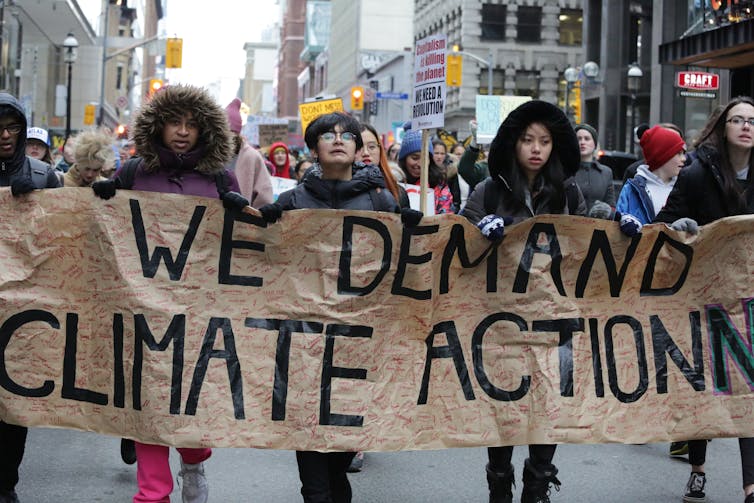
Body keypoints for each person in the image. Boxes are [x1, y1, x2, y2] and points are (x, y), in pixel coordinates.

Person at [92, 84, 249, 503]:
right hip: (142, 306)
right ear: (158, 126)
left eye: (192, 124)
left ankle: (194, 459)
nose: (182, 131)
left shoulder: (220, 177)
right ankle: (152, 495)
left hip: (199, 311)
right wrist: (102, 196)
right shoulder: (133, 172)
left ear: (205, 131)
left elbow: (243, 241)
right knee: (149, 403)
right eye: (174, 122)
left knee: (190, 398)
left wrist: (247, 212)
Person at [252, 112, 407, 503]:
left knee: (339, 452)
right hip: (304, 343)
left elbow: (401, 268)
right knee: (311, 454)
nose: (338, 140)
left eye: (346, 136)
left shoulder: (381, 200)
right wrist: (257, 223)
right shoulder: (291, 202)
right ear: (314, 147)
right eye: (327, 135)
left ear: (358, 149)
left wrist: (413, 230)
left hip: (357, 342)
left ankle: (336, 482)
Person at [461, 100, 586, 503]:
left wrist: (619, 230)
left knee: (547, 404)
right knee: (504, 404)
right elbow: (456, 242)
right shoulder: (489, 190)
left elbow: (588, 246)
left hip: (553, 322)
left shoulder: (568, 193)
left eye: (545, 141)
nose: (536, 148)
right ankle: (500, 479)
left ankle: (537, 483)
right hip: (500, 323)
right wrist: (479, 228)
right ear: (514, 145)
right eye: (528, 140)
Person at [654, 96, 754, 503]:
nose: (746, 126)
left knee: (748, 384)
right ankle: (697, 467)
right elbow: (664, 225)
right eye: (738, 119)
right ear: (722, 126)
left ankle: (751, 485)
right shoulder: (696, 173)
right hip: (703, 295)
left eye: (752, 120)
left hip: (748, 296)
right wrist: (679, 226)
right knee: (705, 383)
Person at [0, 91, 60, 503]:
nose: (5, 136)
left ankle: (5, 485)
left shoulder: (45, 177)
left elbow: (65, 242)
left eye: (12, 127)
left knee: (14, 407)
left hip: (24, 311)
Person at [615, 125, 686, 225]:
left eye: (683, 153)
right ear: (663, 156)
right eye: (678, 153)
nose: (684, 158)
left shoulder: (686, 187)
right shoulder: (632, 188)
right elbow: (617, 223)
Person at [224, 98, 273, 206]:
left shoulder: (252, 156)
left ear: (238, 133)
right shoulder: (208, 154)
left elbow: (264, 196)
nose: (228, 137)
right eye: (224, 132)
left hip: (242, 219)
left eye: (232, 132)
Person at [398, 128, 454, 214]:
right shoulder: (393, 183)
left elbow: (446, 216)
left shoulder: (439, 184)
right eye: (415, 158)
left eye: (424, 158)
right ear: (404, 160)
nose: (420, 164)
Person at [359, 123, 409, 208]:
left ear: (380, 150)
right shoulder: (339, 189)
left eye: (371, 147)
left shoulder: (398, 191)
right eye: (359, 147)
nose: (366, 153)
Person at [573, 124, 616, 214]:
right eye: (578, 139)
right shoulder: (566, 171)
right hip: (569, 226)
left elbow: (612, 207)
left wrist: (607, 211)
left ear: (595, 144)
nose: (582, 142)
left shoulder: (606, 173)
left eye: (587, 138)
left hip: (598, 225)